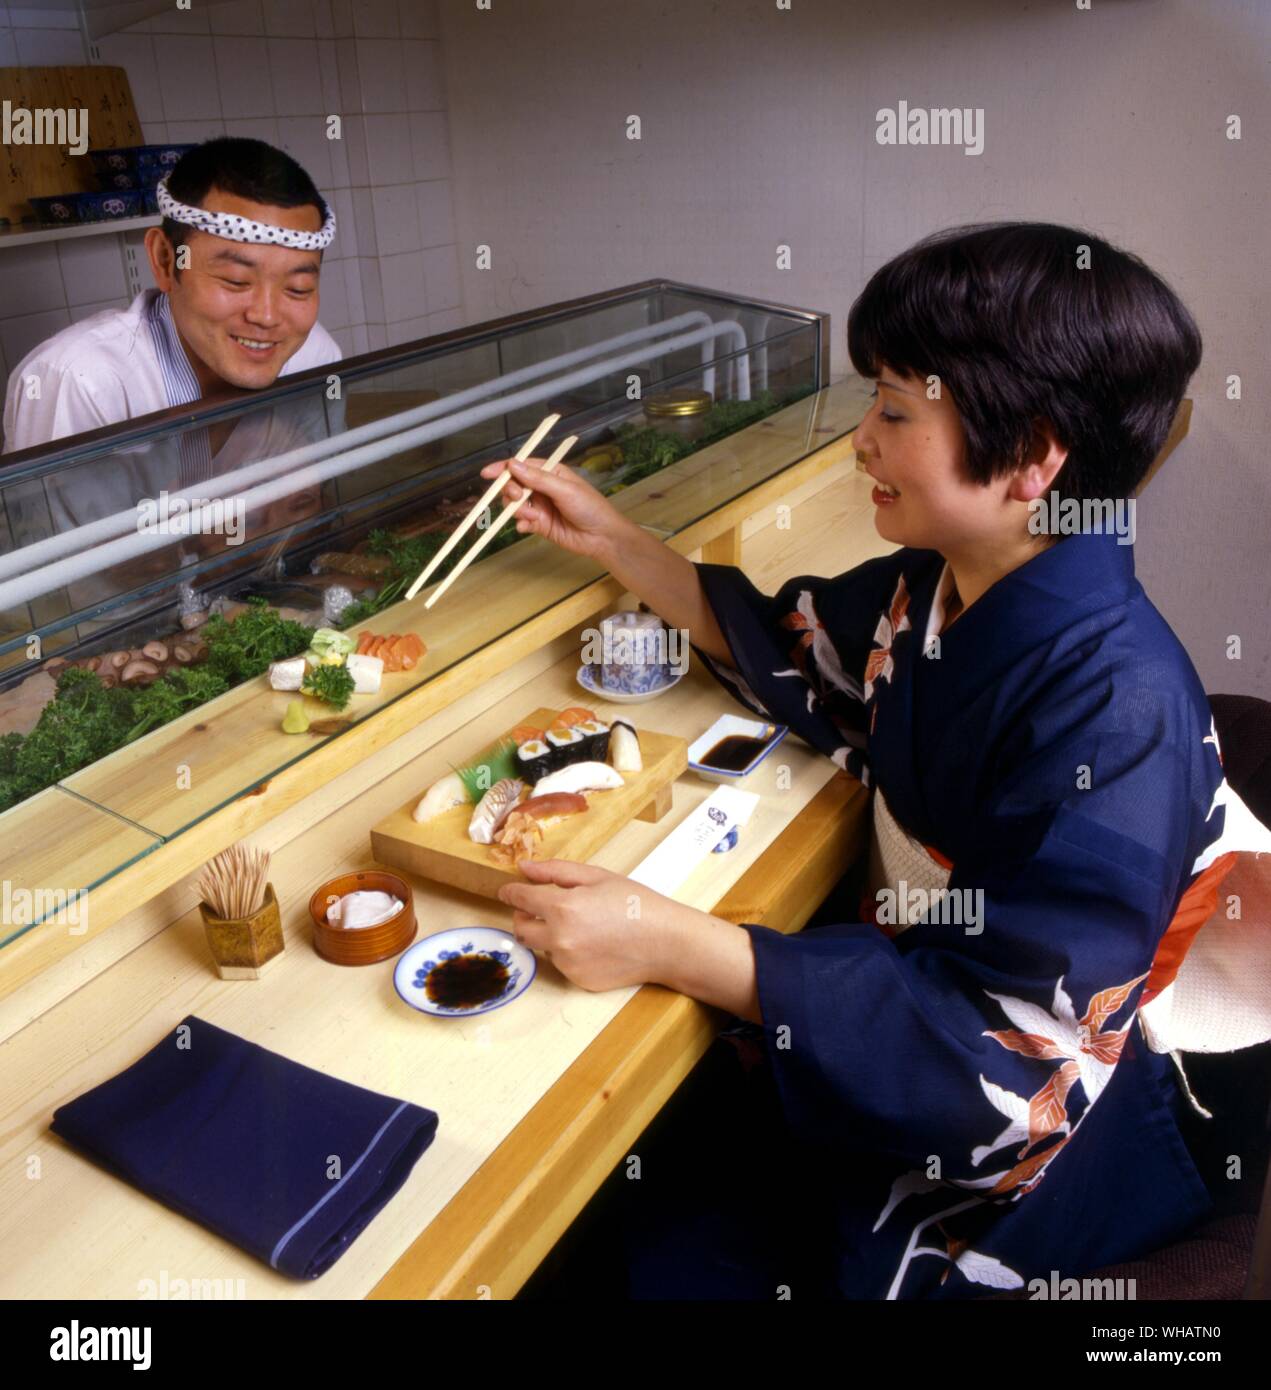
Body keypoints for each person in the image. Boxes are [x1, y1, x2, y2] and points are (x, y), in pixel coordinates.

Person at [481, 223, 1271, 1299]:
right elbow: (800, 647)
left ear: (1032, 457)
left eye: (894, 410)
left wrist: (672, 941)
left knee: (661, 1249)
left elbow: (1007, 1064)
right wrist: (616, 540)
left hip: (1028, 1158)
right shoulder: (942, 581)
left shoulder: (1115, 715)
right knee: (647, 1211)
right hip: (896, 1011)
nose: (860, 441)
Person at [1, 138, 342, 616]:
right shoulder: (78, 382)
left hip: (257, 609)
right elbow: (72, 585)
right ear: (165, 261)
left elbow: (312, 524)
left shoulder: (313, 357)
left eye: (298, 287)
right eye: (235, 281)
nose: (267, 316)